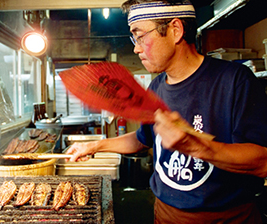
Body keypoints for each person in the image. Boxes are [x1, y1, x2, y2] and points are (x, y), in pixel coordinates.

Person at [66, 0, 267, 223]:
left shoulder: (235, 80)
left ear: (175, 30)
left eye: (140, 36)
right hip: (165, 213)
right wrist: (95, 146)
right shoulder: (157, 87)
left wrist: (196, 146)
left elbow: (261, 162)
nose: (136, 47)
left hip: (227, 217)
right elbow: (143, 139)